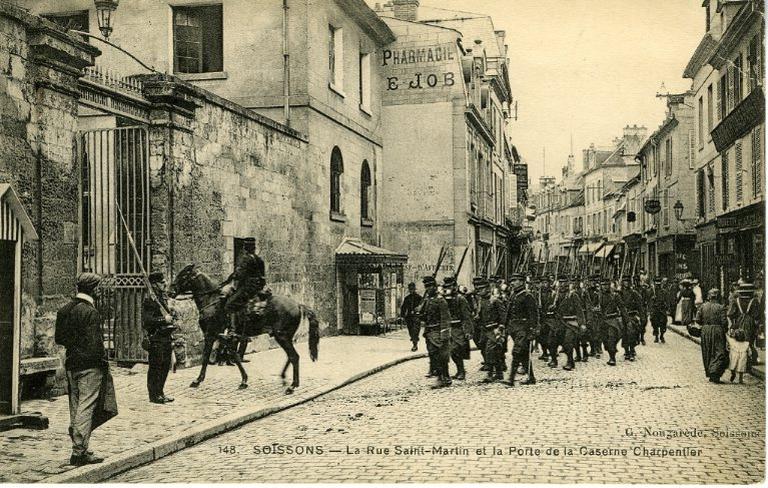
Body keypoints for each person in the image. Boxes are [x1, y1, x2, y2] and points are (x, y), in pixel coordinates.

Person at [54, 273, 106, 467]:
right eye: (99, 287)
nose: (101, 291)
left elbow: (60, 339)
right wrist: (100, 361)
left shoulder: (65, 309)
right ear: (92, 288)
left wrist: (75, 348)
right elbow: (95, 345)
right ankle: (79, 453)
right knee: (86, 408)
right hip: (90, 367)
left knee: (76, 408)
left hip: (72, 365)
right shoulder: (90, 312)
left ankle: (80, 446)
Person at [142, 272, 178, 404]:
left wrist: (171, 312)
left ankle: (160, 392)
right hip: (156, 337)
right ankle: (154, 395)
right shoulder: (149, 299)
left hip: (165, 337)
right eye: (161, 282)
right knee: (156, 367)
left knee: (164, 366)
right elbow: (147, 320)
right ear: (154, 284)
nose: (165, 284)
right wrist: (164, 319)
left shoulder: (160, 298)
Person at [504, 273, 539, 386]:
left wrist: (533, 330)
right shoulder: (513, 295)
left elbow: (534, 315)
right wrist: (505, 326)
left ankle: (511, 378)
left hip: (524, 329)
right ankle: (531, 378)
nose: (512, 283)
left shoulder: (528, 296)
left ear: (522, 282)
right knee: (523, 354)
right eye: (512, 281)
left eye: (515, 280)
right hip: (514, 329)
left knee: (517, 351)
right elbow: (508, 313)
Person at [419, 276, 452, 387]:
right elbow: (424, 315)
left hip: (438, 331)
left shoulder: (440, 300)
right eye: (426, 287)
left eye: (430, 286)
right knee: (433, 354)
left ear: (435, 286)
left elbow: (445, 318)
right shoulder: (428, 300)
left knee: (442, 355)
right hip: (429, 332)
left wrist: (444, 333)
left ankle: (445, 377)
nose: (428, 289)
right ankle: (439, 375)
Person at [476, 277, 507, 382]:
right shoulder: (481, 301)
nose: (479, 291)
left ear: (487, 289)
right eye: (478, 289)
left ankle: (490, 373)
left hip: (494, 329)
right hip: (484, 330)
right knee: (488, 351)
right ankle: (499, 373)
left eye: (482, 289)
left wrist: (501, 328)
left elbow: (503, 315)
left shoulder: (495, 300)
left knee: (490, 351)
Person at [443, 277, 473, 380]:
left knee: (456, 349)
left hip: (459, 328)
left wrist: (468, 331)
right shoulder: (444, 299)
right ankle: (460, 371)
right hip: (448, 328)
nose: (448, 289)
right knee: (452, 352)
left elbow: (466, 315)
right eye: (446, 287)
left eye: (450, 286)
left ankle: (461, 372)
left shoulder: (461, 299)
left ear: (455, 287)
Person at [696, 288, 729, 384]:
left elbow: (698, 320)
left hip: (705, 331)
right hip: (717, 331)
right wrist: (725, 330)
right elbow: (724, 322)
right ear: (717, 297)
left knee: (707, 351)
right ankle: (715, 373)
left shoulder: (702, 307)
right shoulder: (721, 307)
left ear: (709, 297)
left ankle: (710, 373)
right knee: (719, 352)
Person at [554, 277, 585, 371]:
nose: (562, 285)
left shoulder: (573, 295)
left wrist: (582, 323)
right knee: (560, 341)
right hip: (561, 322)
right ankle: (570, 360)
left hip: (572, 323)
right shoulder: (557, 296)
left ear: (568, 284)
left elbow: (579, 310)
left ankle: (570, 362)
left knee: (568, 341)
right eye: (560, 283)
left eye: (564, 283)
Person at [728, 282, 761, 367]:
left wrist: (734, 322)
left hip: (739, 322)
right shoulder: (754, 301)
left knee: (739, 340)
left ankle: (740, 360)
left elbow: (730, 314)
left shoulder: (737, 301)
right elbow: (757, 315)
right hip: (750, 324)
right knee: (750, 341)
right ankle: (750, 358)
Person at [598, 278, 628, 366]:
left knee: (611, 338)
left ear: (609, 285)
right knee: (605, 341)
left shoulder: (615, 295)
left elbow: (622, 308)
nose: (605, 287)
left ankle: (612, 358)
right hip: (602, 321)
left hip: (612, 320)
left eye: (606, 285)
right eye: (603, 285)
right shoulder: (598, 296)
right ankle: (610, 351)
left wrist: (627, 320)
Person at [400, 282, 423, 352]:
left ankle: (415, 345)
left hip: (416, 316)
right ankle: (414, 341)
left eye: (412, 289)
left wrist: (421, 313)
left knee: (415, 330)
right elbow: (403, 307)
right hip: (409, 317)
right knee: (411, 331)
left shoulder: (419, 298)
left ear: (414, 289)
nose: (411, 291)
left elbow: (423, 306)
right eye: (410, 289)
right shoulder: (407, 298)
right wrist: (402, 315)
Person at [649, 277, 668, 343]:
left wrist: (666, 307)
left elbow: (666, 300)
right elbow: (649, 301)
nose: (658, 286)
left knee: (663, 323)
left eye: (659, 284)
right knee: (654, 323)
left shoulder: (664, 291)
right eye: (656, 284)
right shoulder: (652, 291)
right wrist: (652, 299)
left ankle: (662, 335)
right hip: (655, 309)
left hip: (662, 309)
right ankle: (656, 336)